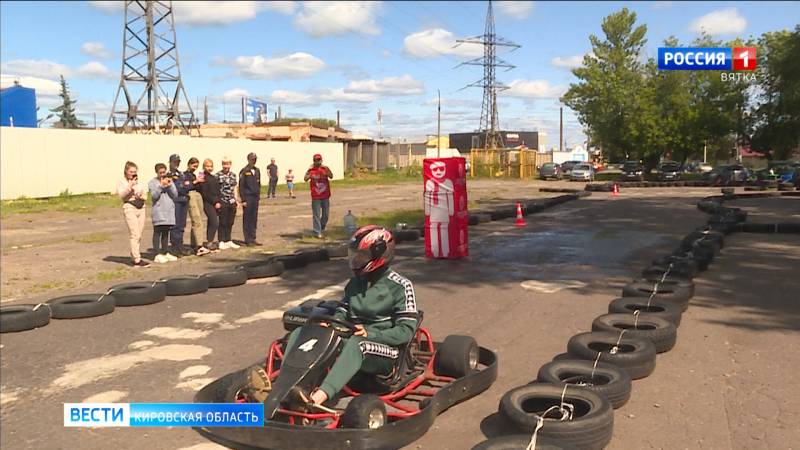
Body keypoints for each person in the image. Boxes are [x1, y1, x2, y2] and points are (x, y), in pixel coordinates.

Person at [276, 225, 418, 407]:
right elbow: (342, 312)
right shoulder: (355, 284)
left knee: (357, 345)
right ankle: (285, 388)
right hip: (354, 337)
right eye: (355, 255)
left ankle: (317, 398)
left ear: (379, 255)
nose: (356, 260)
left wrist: (370, 334)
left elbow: (406, 331)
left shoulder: (400, 286)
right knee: (303, 333)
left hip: (387, 353)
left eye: (362, 256)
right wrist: (331, 326)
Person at [116, 161, 149, 267]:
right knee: (135, 234)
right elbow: (122, 195)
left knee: (139, 234)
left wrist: (141, 196)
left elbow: (145, 195)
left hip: (141, 206)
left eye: (135, 172)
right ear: (126, 171)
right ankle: (137, 259)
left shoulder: (139, 182)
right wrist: (130, 186)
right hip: (130, 207)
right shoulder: (122, 182)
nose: (133, 174)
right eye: (131, 172)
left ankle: (134, 254)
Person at [148, 163, 179, 264]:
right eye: (160, 173)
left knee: (166, 232)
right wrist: (161, 186)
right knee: (158, 231)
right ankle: (157, 253)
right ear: (156, 172)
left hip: (169, 210)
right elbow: (154, 195)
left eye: (163, 172)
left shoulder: (169, 180)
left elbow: (175, 194)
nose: (162, 174)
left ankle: (165, 252)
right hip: (158, 211)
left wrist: (169, 185)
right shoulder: (152, 182)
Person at [167, 154, 193, 257]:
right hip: (175, 201)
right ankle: (174, 246)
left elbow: (190, 185)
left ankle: (180, 245)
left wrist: (185, 186)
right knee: (175, 225)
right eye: (174, 162)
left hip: (184, 200)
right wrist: (184, 186)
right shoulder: (169, 175)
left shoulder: (181, 174)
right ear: (170, 162)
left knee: (182, 225)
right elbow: (177, 188)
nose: (176, 164)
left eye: (178, 162)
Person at [304, 153, 333, 239]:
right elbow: (305, 179)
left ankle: (321, 227)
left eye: (319, 160)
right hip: (316, 195)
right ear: (313, 161)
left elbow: (331, 176)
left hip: (325, 195)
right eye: (316, 160)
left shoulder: (325, 168)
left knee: (326, 215)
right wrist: (309, 172)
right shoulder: (311, 170)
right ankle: (317, 231)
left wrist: (326, 171)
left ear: (321, 160)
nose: (318, 161)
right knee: (316, 214)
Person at [186, 157, 210, 256]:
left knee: (199, 219)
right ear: (189, 164)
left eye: (196, 166)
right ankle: (199, 246)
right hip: (190, 194)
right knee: (196, 220)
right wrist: (195, 182)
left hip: (197, 195)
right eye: (193, 165)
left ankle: (194, 244)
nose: (194, 167)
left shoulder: (194, 175)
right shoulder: (185, 175)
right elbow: (186, 186)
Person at [216, 156, 240, 250]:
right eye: (224, 164)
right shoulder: (218, 175)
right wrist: (218, 200)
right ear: (222, 164)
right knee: (223, 221)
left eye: (228, 164)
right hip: (223, 200)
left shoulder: (233, 175)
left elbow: (234, 187)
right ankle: (221, 241)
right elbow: (216, 189)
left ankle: (228, 240)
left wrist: (236, 199)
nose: (226, 166)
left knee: (230, 221)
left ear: (230, 164)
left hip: (231, 200)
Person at [239, 152, 262, 246]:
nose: (254, 161)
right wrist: (243, 199)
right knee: (247, 218)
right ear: (248, 159)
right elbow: (241, 186)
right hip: (247, 197)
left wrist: (258, 195)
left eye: (255, 159)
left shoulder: (257, 170)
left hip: (255, 197)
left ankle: (253, 238)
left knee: (254, 218)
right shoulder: (244, 171)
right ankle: (248, 239)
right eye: (252, 159)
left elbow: (258, 184)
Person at [199, 158, 221, 252]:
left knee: (212, 222)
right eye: (207, 166)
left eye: (211, 166)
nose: (209, 168)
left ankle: (210, 240)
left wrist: (218, 201)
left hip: (216, 202)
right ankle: (209, 242)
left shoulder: (213, 177)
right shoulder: (202, 177)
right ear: (204, 167)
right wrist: (215, 202)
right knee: (214, 222)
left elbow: (217, 190)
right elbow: (205, 193)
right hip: (207, 202)